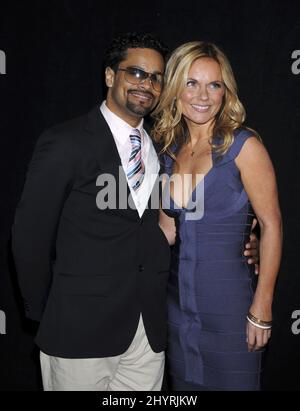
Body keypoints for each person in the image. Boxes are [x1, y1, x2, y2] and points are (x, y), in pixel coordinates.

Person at [12, 33, 259, 391]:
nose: (147, 84)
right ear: (111, 76)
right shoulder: (66, 142)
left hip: (148, 335)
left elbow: (180, 222)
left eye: (156, 77)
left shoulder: (166, 148)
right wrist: (45, 313)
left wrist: (247, 239)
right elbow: (29, 235)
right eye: (136, 74)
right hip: (78, 333)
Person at [153, 41, 282, 391]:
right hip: (178, 310)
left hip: (231, 311)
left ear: (226, 92)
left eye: (214, 85)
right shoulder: (168, 152)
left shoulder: (244, 147)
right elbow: (164, 234)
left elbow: (271, 225)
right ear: (175, 88)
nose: (203, 95)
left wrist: (262, 307)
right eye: (191, 83)